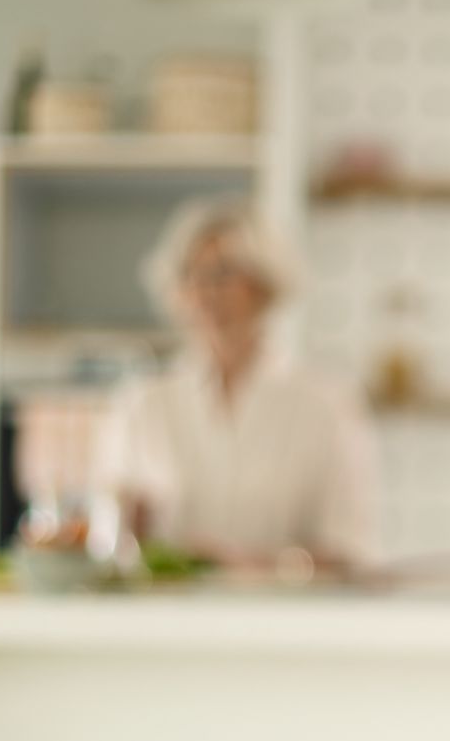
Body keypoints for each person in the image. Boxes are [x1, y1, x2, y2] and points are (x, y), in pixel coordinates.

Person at [93, 202, 378, 576]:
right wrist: (128, 530)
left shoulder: (327, 405)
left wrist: (262, 566)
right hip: (168, 620)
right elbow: (108, 543)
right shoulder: (141, 404)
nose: (205, 290)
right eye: (190, 274)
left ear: (265, 285)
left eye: (223, 273)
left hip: (284, 622)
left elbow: (351, 550)